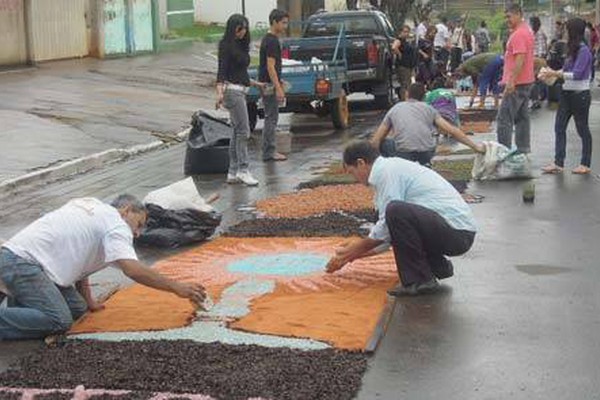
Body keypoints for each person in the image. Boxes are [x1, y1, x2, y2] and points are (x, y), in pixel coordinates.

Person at [0, 195, 206, 340]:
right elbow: (132, 269)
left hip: (28, 261)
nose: (138, 233)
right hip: (22, 262)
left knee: (78, 310)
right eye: (139, 223)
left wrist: (88, 298)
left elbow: (80, 257)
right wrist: (177, 287)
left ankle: (19, 305)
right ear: (126, 210)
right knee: (59, 321)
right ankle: (13, 313)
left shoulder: (91, 206)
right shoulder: (117, 224)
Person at [325, 140, 478, 296]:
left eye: (351, 172)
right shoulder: (388, 170)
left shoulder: (386, 172)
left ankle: (419, 280)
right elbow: (390, 233)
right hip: (452, 231)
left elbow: (387, 224)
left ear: (361, 163)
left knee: (395, 211)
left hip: (458, 233)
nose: (354, 179)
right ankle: (436, 266)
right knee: (391, 214)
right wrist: (352, 255)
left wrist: (357, 249)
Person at [371, 83, 484, 167]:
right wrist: (475, 147)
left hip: (404, 153)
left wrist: (371, 161)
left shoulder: (395, 109)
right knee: (428, 142)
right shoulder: (430, 109)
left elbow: (376, 139)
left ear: (406, 94)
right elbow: (453, 131)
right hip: (426, 153)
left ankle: (391, 169)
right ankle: (425, 164)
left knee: (384, 143)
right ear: (424, 97)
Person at [541, 18, 593, 175]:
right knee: (559, 127)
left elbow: (577, 74)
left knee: (582, 128)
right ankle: (558, 162)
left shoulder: (584, 51)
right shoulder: (572, 49)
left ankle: (585, 163)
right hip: (566, 93)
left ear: (573, 31)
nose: (564, 32)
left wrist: (554, 73)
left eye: (566, 29)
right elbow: (565, 70)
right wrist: (550, 74)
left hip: (580, 95)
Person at [216, 14, 265, 186]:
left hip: (240, 90)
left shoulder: (241, 46)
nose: (243, 32)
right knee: (244, 131)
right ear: (232, 28)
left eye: (244, 28)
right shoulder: (226, 45)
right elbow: (222, 72)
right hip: (232, 92)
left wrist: (256, 84)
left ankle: (233, 171)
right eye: (239, 28)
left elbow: (240, 74)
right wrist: (219, 93)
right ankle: (243, 170)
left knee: (237, 132)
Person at [496, 4, 535, 153]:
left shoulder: (519, 34)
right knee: (522, 117)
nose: (507, 19)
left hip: (517, 83)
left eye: (509, 16)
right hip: (526, 81)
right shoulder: (527, 31)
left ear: (518, 14)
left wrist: (511, 80)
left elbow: (520, 59)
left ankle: (503, 152)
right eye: (506, 16)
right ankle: (523, 150)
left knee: (504, 118)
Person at [259, 9, 289, 162]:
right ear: (275, 22)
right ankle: (269, 151)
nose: (285, 26)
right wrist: (277, 87)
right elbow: (270, 66)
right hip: (269, 84)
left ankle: (269, 150)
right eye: (283, 23)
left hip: (269, 82)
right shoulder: (271, 41)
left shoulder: (269, 39)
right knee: (271, 117)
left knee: (271, 116)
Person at [392, 25, 417, 101]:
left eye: (408, 32)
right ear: (400, 32)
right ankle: (404, 100)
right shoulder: (399, 40)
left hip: (409, 66)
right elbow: (394, 47)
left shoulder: (406, 41)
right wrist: (399, 54)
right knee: (405, 84)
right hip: (403, 66)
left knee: (408, 83)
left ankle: (407, 98)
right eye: (405, 32)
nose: (406, 34)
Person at [529, 16, 548, 109]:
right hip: (535, 59)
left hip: (538, 59)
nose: (530, 24)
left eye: (531, 23)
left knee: (536, 80)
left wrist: (538, 59)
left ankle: (537, 99)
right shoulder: (533, 32)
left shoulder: (539, 32)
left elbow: (541, 48)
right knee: (537, 80)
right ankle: (538, 98)